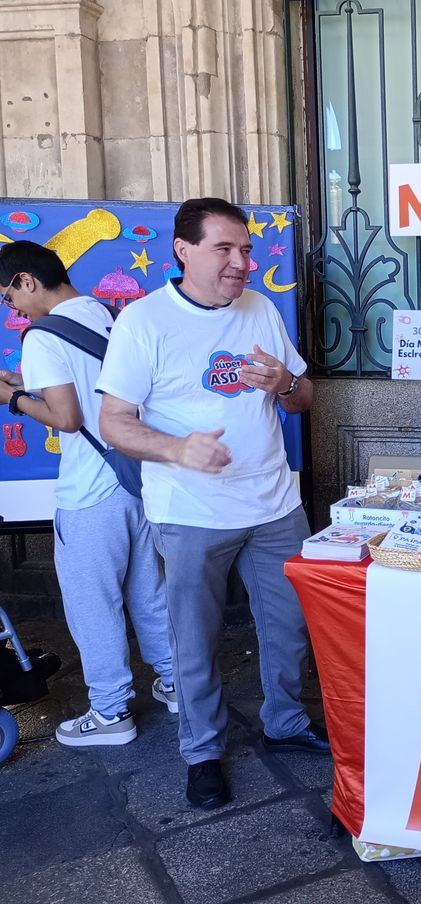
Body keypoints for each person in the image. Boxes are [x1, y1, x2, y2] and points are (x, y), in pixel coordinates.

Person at [97, 198, 326, 812]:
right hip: (191, 512)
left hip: (274, 504)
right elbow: (114, 422)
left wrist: (284, 383)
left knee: (289, 624)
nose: (240, 263)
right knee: (194, 639)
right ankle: (201, 751)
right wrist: (177, 450)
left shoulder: (261, 309)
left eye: (245, 250)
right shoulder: (143, 322)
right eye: (224, 249)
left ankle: (285, 721)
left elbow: (302, 398)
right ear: (183, 250)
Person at [0, 241, 175, 747]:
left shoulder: (41, 335)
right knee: (150, 592)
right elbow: (94, 385)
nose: (13, 309)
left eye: (9, 297)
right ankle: (176, 684)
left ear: (27, 280)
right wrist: (26, 383)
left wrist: (12, 396)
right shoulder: (107, 315)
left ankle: (110, 711)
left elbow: (68, 417)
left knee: (91, 604)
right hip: (137, 480)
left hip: (89, 493)